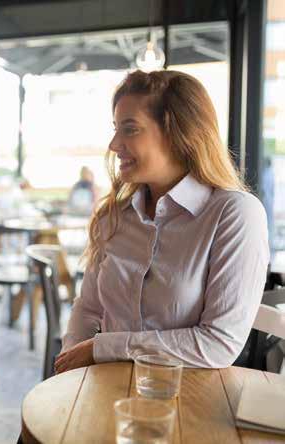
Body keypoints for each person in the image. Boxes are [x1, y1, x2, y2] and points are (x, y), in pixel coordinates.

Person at [55, 70, 269, 374]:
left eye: (130, 129)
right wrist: (70, 364)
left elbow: (219, 343)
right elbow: (88, 308)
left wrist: (102, 348)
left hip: (189, 400)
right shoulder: (112, 216)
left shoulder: (234, 214)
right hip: (106, 390)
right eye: (116, 129)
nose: (114, 145)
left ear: (178, 133)